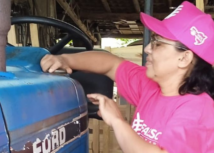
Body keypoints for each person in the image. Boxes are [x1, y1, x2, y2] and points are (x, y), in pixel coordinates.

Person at [40, 1, 214, 153]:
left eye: (157, 43)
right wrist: (65, 59)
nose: (147, 49)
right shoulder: (150, 86)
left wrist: (117, 121)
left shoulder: (199, 111)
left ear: (184, 58)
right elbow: (111, 64)